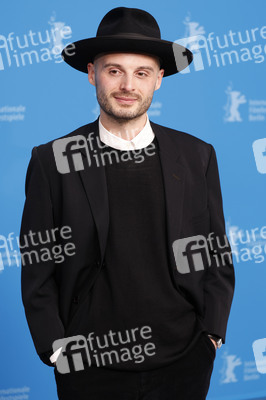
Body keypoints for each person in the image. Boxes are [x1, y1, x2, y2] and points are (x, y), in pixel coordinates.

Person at [20, 7, 235, 400]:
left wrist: (212, 335)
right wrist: (55, 347)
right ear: (91, 74)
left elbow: (215, 252)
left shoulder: (196, 155)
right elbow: (38, 263)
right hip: (88, 367)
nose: (127, 85)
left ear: (159, 80)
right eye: (113, 70)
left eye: (141, 73)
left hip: (184, 360)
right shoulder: (52, 159)